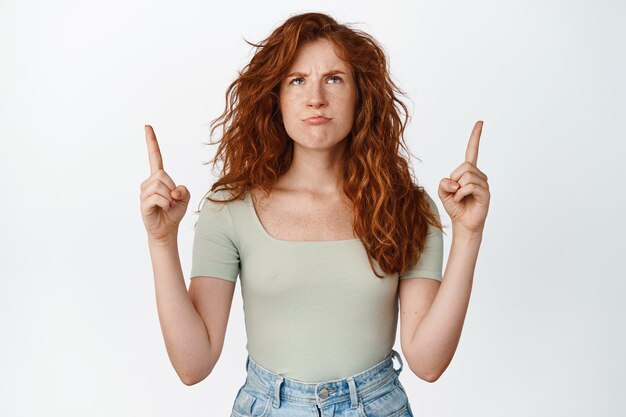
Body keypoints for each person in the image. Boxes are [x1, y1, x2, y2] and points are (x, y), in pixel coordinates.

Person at [140, 12, 490, 417]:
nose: (316, 98)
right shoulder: (230, 208)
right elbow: (192, 365)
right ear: (276, 97)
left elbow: (428, 364)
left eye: (335, 78)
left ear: (362, 94)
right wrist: (162, 241)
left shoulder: (406, 205)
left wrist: (468, 234)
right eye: (297, 80)